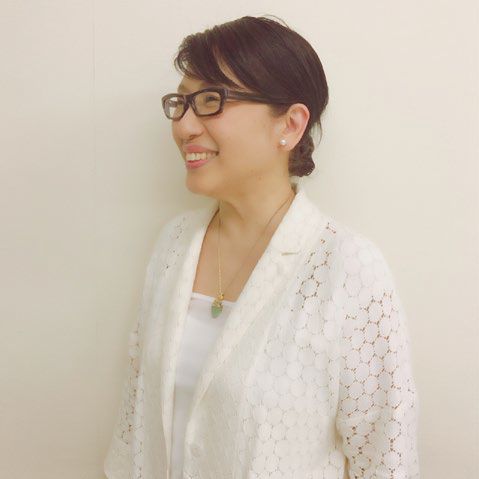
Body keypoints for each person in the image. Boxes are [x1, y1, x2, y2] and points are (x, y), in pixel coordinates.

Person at [103, 14, 420, 479]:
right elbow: (136, 424)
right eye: (181, 103)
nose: (184, 126)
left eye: (210, 100)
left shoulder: (346, 270)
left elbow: (386, 461)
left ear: (289, 125)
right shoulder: (174, 245)